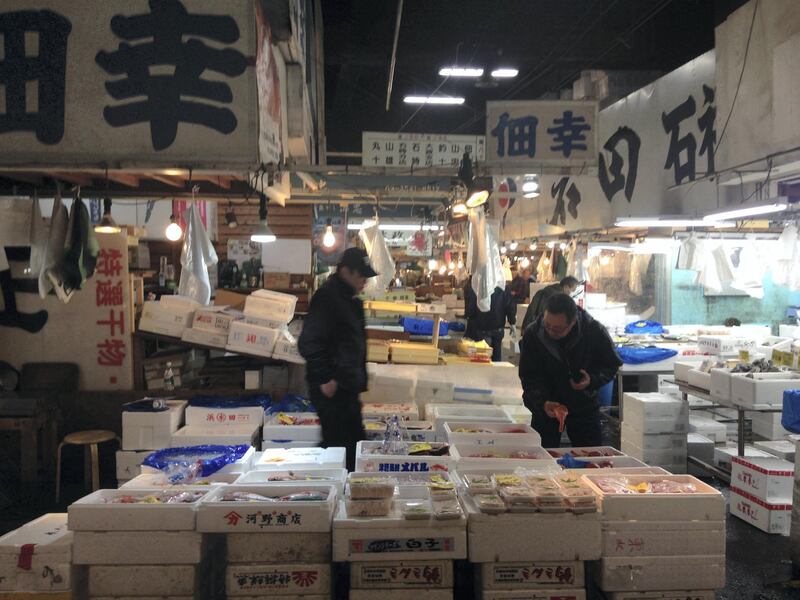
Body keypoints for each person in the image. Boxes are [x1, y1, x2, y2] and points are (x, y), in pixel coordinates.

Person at [298, 247, 378, 471]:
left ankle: (343, 493)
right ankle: (329, 492)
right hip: (332, 391)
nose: (364, 280)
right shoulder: (327, 298)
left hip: (347, 388)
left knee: (351, 446)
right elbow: (308, 342)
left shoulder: (351, 302)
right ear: (345, 271)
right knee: (338, 448)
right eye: (360, 274)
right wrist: (325, 378)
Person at [518, 293, 622, 448]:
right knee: (542, 457)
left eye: (558, 329)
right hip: (547, 406)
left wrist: (592, 380)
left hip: (583, 404)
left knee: (590, 456)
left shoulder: (593, 330)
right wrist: (542, 402)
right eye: (547, 326)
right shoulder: (533, 334)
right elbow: (529, 376)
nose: (551, 332)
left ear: (573, 321)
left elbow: (611, 364)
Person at [463, 276, 516, 362]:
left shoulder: (477, 286)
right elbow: (509, 306)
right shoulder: (503, 286)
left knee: (483, 358)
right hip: (498, 328)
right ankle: (496, 374)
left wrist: (469, 318)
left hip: (481, 326)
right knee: (496, 357)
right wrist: (512, 322)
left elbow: (471, 308)